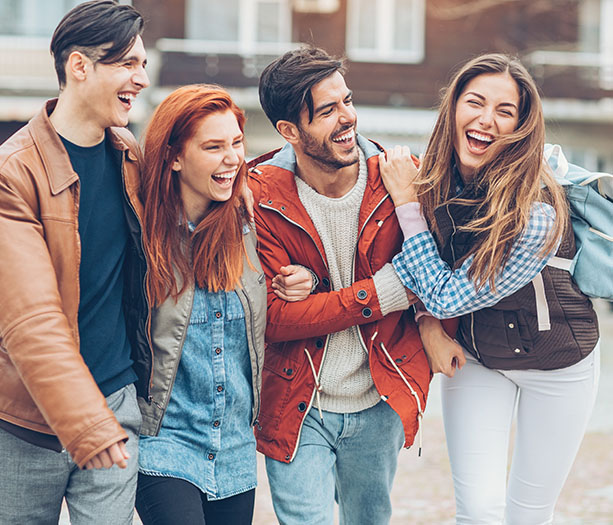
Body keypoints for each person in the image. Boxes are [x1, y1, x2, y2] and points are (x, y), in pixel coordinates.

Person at [380, 53, 600, 524]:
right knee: (478, 511)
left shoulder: (538, 213)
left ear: (522, 126)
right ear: (453, 107)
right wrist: (426, 326)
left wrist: (406, 204)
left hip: (559, 363)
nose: (486, 120)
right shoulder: (434, 182)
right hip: (478, 357)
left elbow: (446, 294)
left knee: (527, 515)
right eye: (475, 102)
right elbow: (412, 270)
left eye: (505, 111)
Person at [247, 46, 457, 525]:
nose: (348, 118)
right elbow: (275, 321)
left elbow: (437, 279)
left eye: (347, 100)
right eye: (328, 111)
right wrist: (382, 293)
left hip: (379, 398)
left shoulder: (401, 182)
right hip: (298, 401)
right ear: (288, 132)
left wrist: (424, 318)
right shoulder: (258, 198)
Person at [133, 84, 312, 525]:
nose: (232, 157)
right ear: (174, 156)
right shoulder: (141, 230)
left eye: (236, 143)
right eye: (213, 146)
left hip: (234, 449)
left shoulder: (250, 224)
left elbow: (303, 166)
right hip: (163, 443)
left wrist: (304, 280)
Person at [0, 1, 150, 523]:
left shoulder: (129, 155)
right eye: (128, 64)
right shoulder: (13, 174)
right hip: (23, 427)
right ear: (79, 66)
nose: (142, 79)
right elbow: (31, 319)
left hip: (116, 405)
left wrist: (240, 190)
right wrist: (87, 425)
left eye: (143, 66)